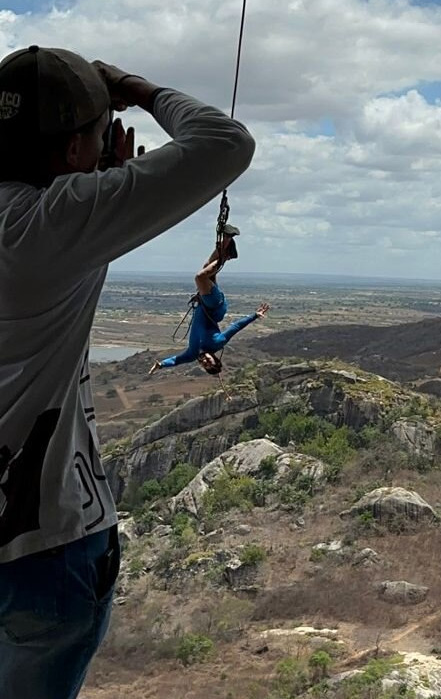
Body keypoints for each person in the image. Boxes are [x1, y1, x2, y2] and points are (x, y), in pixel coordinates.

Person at [0, 45, 255, 698]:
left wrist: (84, 175)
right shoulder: (53, 223)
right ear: (77, 151)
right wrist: (135, 89)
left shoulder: (47, 222)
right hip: (44, 544)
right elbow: (224, 143)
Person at [149, 238, 270, 374]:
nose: (205, 362)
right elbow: (235, 327)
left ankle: (226, 240)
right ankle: (225, 256)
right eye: (209, 362)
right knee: (200, 277)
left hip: (204, 304)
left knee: (207, 266)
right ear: (215, 358)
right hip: (215, 307)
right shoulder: (217, 343)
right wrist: (255, 316)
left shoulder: (192, 354)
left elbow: (177, 360)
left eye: (205, 365)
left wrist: (161, 365)